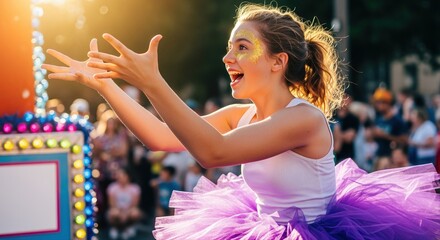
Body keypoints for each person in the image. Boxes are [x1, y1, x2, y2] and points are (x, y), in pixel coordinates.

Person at [42, 4, 440, 239]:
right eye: (229, 47)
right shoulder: (242, 114)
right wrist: (106, 87)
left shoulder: (303, 119)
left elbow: (213, 153)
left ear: (277, 62)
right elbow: (162, 137)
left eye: (242, 47)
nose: (227, 57)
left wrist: (153, 81)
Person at [107, 168, 142, 239]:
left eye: (122, 176)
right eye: (119, 176)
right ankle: (115, 228)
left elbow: (135, 204)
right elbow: (112, 203)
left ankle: (129, 227)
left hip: (129, 209)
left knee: (135, 213)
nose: (120, 178)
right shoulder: (112, 187)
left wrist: (126, 212)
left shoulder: (135, 188)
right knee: (114, 213)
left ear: (128, 176)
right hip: (117, 209)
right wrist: (120, 211)